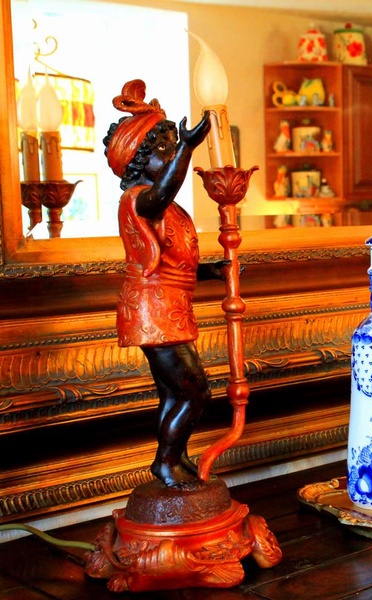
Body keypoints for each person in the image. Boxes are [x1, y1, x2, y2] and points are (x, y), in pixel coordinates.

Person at [103, 79, 221, 487]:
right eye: (164, 149)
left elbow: (173, 263)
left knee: (175, 392)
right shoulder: (139, 199)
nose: (171, 154)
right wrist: (187, 147)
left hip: (168, 308)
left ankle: (175, 457)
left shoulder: (168, 211)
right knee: (195, 390)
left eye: (173, 146)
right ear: (138, 160)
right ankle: (165, 461)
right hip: (154, 312)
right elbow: (164, 189)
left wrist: (212, 271)